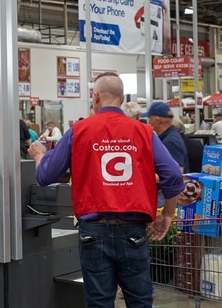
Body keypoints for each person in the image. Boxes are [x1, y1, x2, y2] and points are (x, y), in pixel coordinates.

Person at [27, 72, 185, 307]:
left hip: (93, 232)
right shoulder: (144, 133)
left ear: (95, 97)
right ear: (122, 99)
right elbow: (173, 175)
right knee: (140, 301)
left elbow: (45, 176)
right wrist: (167, 215)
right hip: (134, 231)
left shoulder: (78, 131)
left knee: (99, 302)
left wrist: (40, 155)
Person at [142, 102, 188, 173]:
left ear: (157, 120)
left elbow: (177, 172)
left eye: (150, 119)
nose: (149, 123)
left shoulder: (170, 142)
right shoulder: (169, 137)